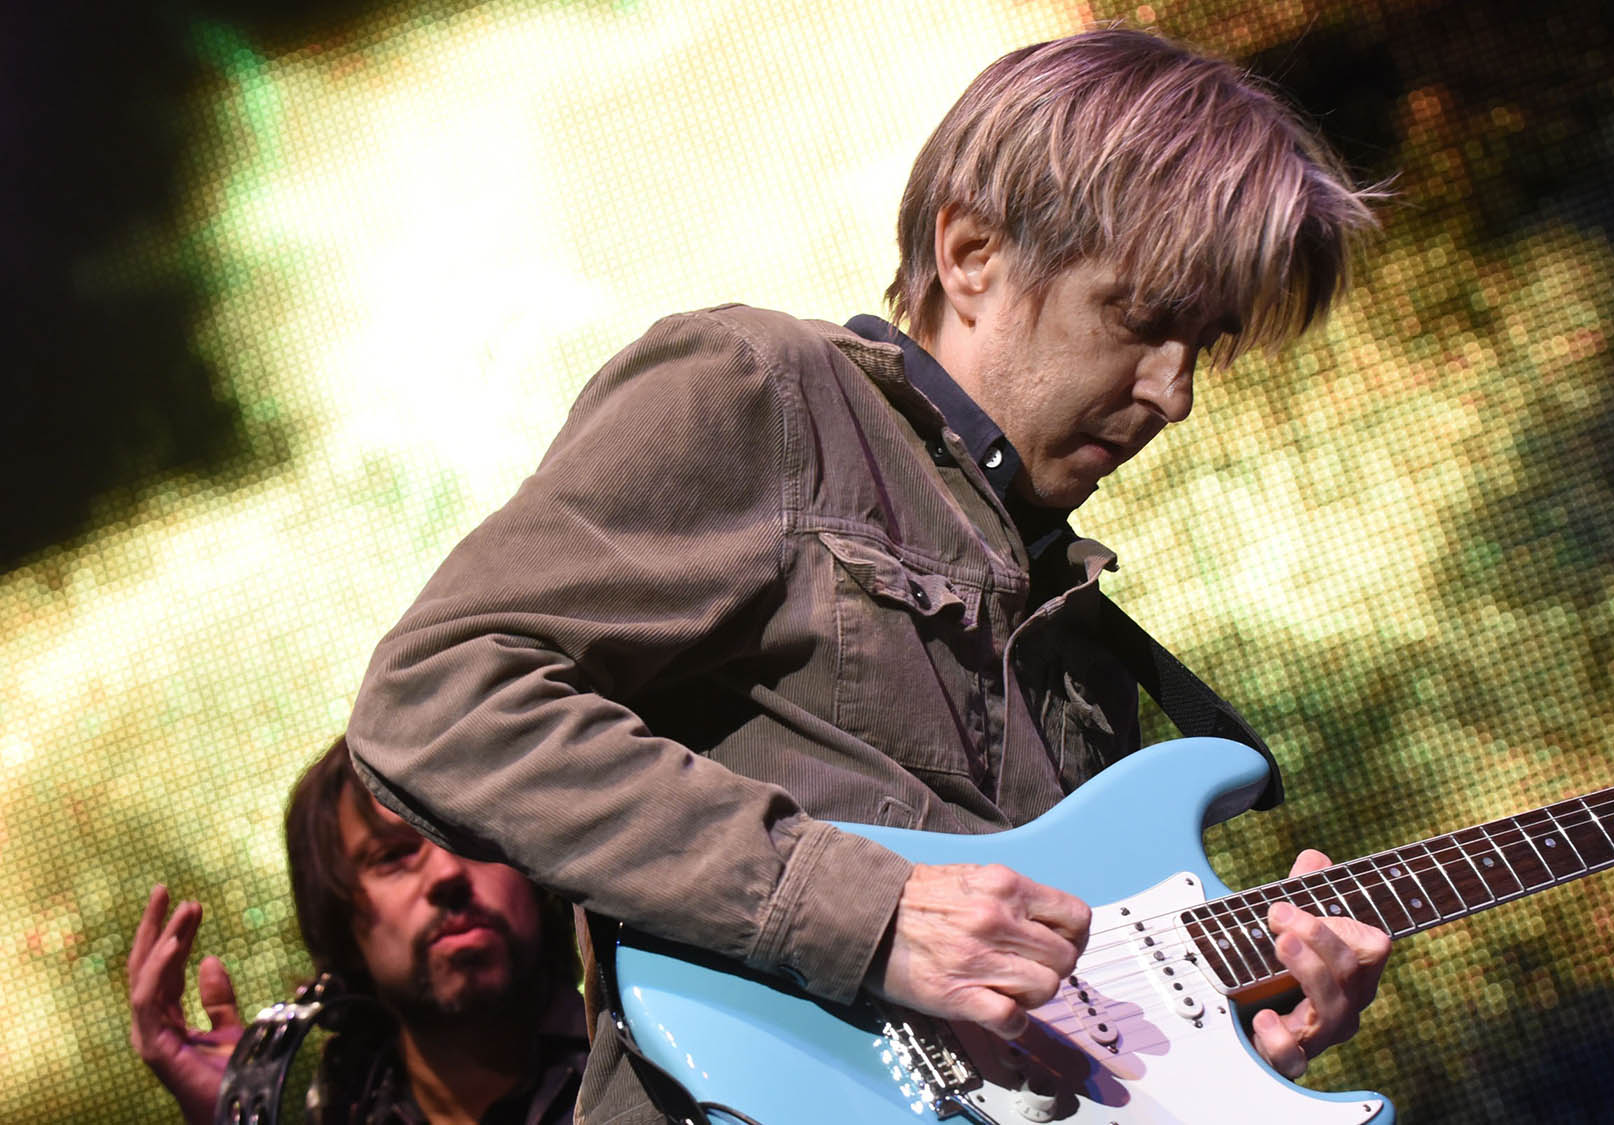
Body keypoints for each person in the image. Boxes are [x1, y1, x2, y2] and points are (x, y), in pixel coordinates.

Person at [347, 28, 1390, 1121]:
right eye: (1142, 320)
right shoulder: (768, 392)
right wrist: (870, 913)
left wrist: (1229, 1035)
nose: (1173, 395)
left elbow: (1027, 1039)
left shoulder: (1082, 636)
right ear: (973, 252)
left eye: (1205, 345)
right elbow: (437, 696)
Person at [126, 736, 588, 1124]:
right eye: (392, 856)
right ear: (340, 923)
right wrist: (239, 1108)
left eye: (470, 836)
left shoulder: (649, 1065)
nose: (446, 872)